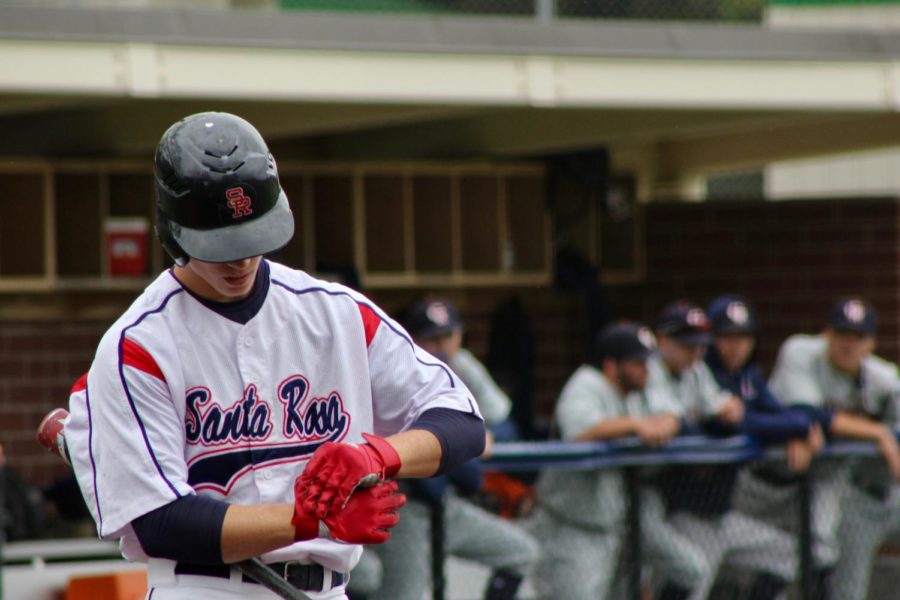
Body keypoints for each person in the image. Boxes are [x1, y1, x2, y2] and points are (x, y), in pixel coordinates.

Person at [63, 112, 486, 600]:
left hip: (326, 590)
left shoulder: (336, 312)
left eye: (252, 238)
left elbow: (462, 421)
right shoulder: (138, 345)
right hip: (204, 588)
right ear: (173, 232)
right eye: (221, 245)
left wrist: (378, 455)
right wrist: (311, 520)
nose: (240, 260)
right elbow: (161, 521)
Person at [355, 297, 538, 600]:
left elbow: (506, 427)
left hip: (447, 505)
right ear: (410, 339)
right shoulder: (396, 369)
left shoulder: (461, 365)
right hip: (404, 508)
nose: (441, 346)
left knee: (521, 552)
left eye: (448, 336)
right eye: (431, 338)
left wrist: (481, 434)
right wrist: (469, 440)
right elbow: (463, 467)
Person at [734, 296, 900, 598]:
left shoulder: (883, 379)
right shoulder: (800, 351)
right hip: (764, 479)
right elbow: (807, 416)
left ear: (871, 343)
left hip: (822, 477)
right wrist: (876, 432)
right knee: (720, 555)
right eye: (841, 334)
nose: (848, 344)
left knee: (820, 548)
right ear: (826, 334)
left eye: (858, 337)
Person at [658, 296, 812, 600]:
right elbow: (725, 424)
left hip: (723, 515)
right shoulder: (702, 372)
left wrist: (798, 429)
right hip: (687, 513)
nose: (736, 346)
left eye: (744, 337)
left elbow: (795, 417)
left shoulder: (747, 376)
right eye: (727, 337)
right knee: (691, 583)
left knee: (787, 554)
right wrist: (776, 427)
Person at [528, 321, 677, 599]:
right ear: (611, 365)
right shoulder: (586, 384)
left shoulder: (634, 393)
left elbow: (670, 414)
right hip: (571, 530)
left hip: (612, 530)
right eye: (638, 362)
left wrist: (666, 422)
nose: (647, 369)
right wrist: (634, 425)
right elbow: (579, 432)